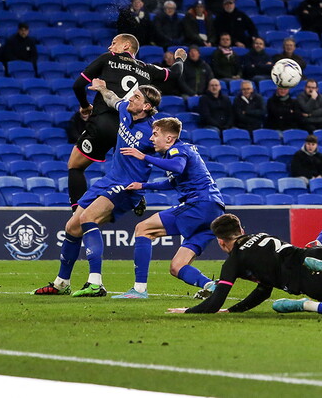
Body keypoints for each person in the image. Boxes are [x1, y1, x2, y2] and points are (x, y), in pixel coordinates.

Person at [34, 81, 161, 297]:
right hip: (110, 178)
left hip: (127, 186)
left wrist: (146, 183)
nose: (131, 98)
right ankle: (61, 283)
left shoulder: (152, 131)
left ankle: (96, 283)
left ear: (147, 107)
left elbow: (170, 153)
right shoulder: (125, 110)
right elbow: (114, 99)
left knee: (87, 219)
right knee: (72, 227)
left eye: (137, 97)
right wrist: (102, 89)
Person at [173, 210, 322, 314]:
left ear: (220, 241)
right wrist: (235, 310)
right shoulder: (262, 235)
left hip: (314, 281)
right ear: (242, 229)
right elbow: (263, 287)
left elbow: (216, 301)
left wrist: (188, 311)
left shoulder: (234, 260)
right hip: (321, 257)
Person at [68, 35, 184, 208]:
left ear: (126, 46)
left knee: (75, 166)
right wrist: (180, 58)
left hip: (103, 123)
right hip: (130, 128)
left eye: (114, 43)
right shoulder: (147, 68)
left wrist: (85, 106)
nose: (110, 47)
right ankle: (135, 196)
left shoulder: (108, 59)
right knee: (124, 170)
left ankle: (77, 216)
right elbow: (175, 74)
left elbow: (78, 85)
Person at [116, 117, 225, 298]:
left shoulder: (177, 149)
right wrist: (142, 186)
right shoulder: (183, 150)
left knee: (142, 229)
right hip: (214, 211)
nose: (151, 138)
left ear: (169, 138)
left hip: (199, 204)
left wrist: (143, 156)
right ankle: (211, 286)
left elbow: (178, 167)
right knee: (177, 267)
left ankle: (139, 289)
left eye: (155, 134)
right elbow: (172, 182)